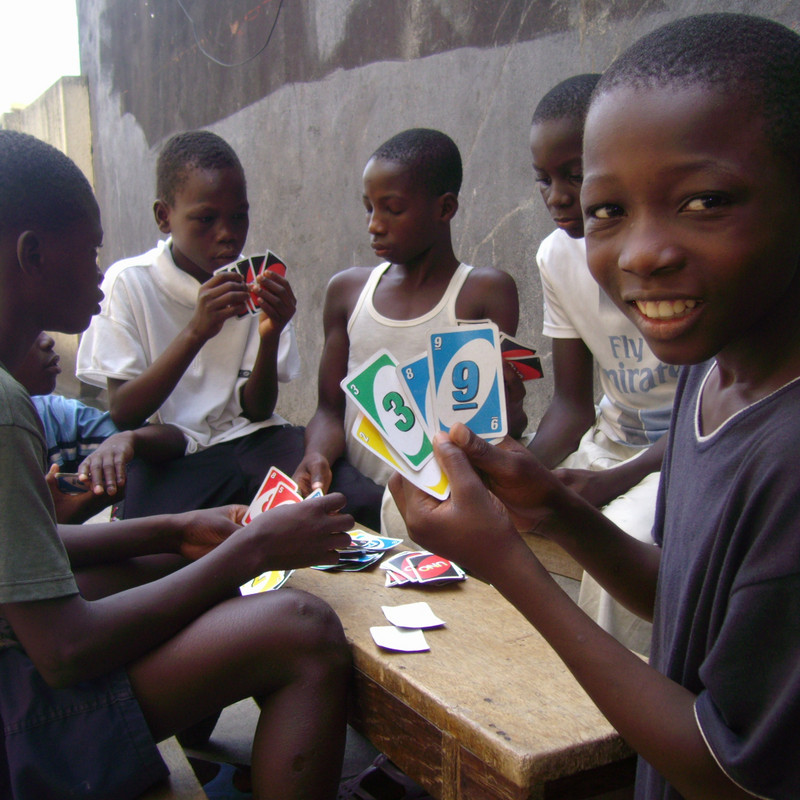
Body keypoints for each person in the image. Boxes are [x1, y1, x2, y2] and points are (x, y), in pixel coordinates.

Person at [391, 13, 800, 799]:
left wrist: (510, 565)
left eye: (707, 200)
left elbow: (730, 770)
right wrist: (555, 513)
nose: (644, 251)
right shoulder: (710, 375)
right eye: (609, 212)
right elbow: (686, 601)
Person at [0, 129, 353, 799]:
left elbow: (22, 552)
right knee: (303, 629)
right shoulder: (8, 410)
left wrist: (173, 530)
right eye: (91, 249)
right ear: (34, 254)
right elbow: (64, 650)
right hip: (19, 720)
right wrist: (250, 551)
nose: (100, 271)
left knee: (191, 555)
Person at [77, 130, 382, 527]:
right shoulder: (130, 283)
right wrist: (196, 331)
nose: (227, 233)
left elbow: (257, 409)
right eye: (206, 218)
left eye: (239, 216)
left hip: (256, 441)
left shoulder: (257, 278)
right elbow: (125, 412)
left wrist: (270, 335)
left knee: (351, 498)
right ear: (164, 216)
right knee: (150, 548)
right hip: (173, 456)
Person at [292, 127, 526, 535]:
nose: (374, 225)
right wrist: (317, 456)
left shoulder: (484, 293)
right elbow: (329, 410)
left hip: (440, 506)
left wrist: (511, 405)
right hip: (355, 498)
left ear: (445, 208)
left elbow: (494, 425)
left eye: (392, 209)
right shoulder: (347, 291)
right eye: (368, 208)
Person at [527, 73, 679, 655]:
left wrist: (609, 484)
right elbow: (569, 406)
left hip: (674, 456)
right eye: (544, 179)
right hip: (609, 441)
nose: (558, 196)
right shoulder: (555, 255)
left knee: (617, 548)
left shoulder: (668, 251)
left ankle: (614, 737)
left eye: (574, 174)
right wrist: (517, 471)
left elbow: (712, 420)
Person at [13, 331, 186, 523]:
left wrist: (128, 440)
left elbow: (178, 440)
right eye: (23, 327)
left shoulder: (52, 415)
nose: (47, 341)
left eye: (41, 327)